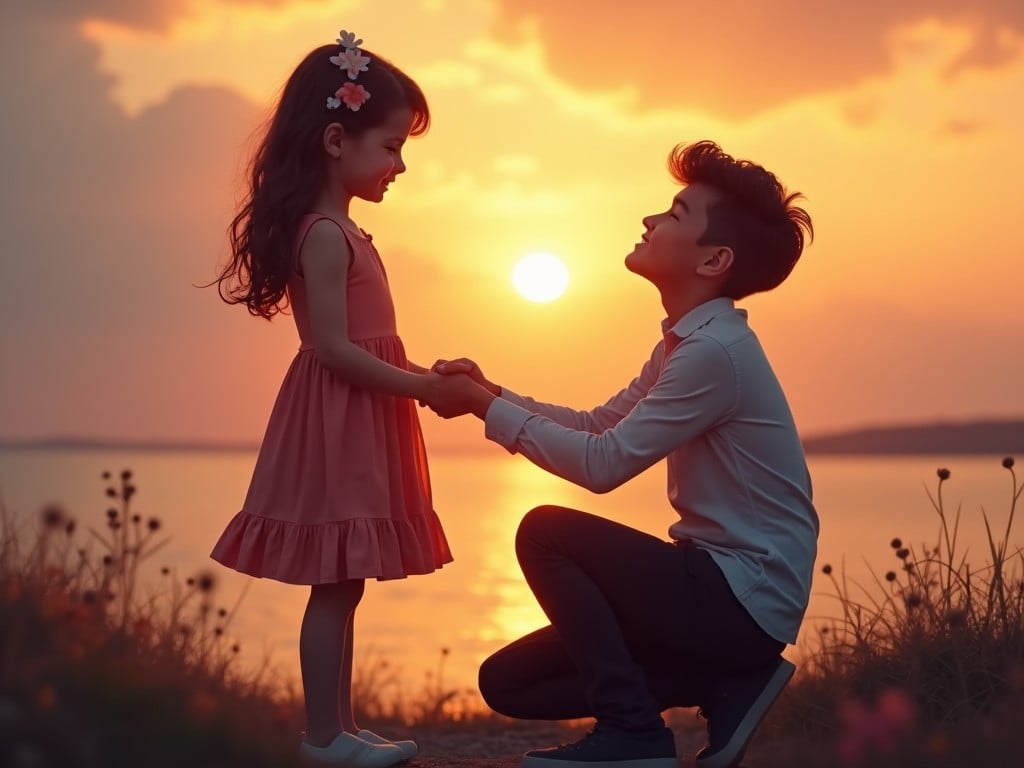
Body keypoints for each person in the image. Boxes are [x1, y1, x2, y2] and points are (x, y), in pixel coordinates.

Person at [425, 141, 819, 768]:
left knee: (545, 532)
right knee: (509, 683)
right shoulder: (686, 346)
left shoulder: (715, 354)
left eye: (675, 213)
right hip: (717, 597)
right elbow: (600, 423)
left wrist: (479, 407)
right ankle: (725, 683)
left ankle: (633, 733)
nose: (650, 220)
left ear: (715, 259)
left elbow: (603, 464)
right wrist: (492, 392)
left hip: (738, 599)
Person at [209, 30, 455, 768]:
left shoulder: (346, 230)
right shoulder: (324, 235)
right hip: (337, 419)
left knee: (346, 583)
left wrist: (422, 371)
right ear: (336, 139)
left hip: (359, 414)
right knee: (336, 580)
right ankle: (323, 738)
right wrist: (419, 388)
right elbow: (336, 351)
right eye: (391, 146)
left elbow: (371, 341)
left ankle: (340, 728)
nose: (400, 165)